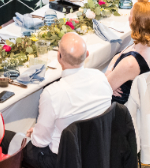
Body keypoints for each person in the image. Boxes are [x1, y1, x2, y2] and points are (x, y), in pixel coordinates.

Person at [23, 33, 112, 168]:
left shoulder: (52, 93)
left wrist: (35, 133)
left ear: (59, 57)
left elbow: (40, 142)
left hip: (62, 160)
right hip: (98, 152)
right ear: (87, 54)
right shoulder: (101, 78)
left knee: (11, 140)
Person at [105, 0, 150, 104]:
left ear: (136, 22)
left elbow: (105, 87)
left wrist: (108, 72)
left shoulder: (130, 62)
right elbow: (119, 55)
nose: (128, 18)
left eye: (131, 15)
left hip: (118, 108)